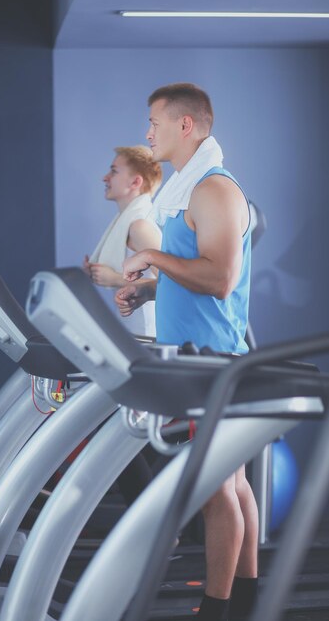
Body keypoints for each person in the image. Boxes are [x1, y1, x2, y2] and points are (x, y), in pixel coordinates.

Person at [115, 83, 258, 621]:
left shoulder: (215, 190)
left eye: (154, 122)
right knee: (234, 486)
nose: (147, 132)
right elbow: (192, 275)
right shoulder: (186, 190)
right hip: (198, 357)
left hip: (214, 361)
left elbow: (220, 279)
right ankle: (244, 602)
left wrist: (150, 255)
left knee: (217, 490)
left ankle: (217, 609)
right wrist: (152, 288)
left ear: (187, 126)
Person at [83, 145, 162, 337]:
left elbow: (173, 286)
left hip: (149, 337)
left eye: (114, 171)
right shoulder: (126, 222)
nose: (105, 177)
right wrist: (96, 273)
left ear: (135, 182)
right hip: (133, 334)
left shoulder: (140, 226)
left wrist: (113, 278)